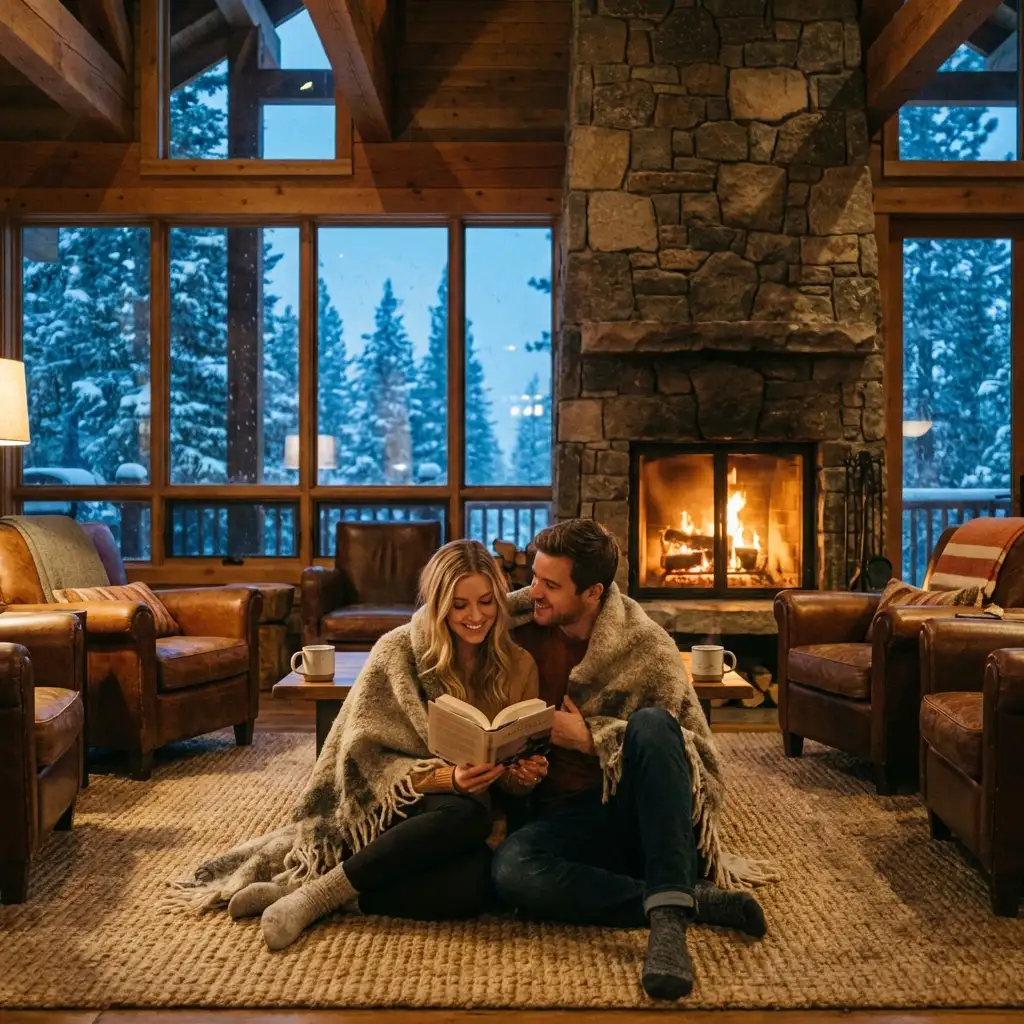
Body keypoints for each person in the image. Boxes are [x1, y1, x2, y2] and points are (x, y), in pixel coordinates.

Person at [176, 539, 548, 949]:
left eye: (486, 602)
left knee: (477, 883)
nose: (475, 616)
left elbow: (512, 777)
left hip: (456, 823)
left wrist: (523, 777)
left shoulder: (519, 665)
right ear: (440, 604)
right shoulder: (401, 652)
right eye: (459, 605)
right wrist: (450, 778)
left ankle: (333, 897)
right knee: (467, 814)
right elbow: (365, 762)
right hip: (399, 809)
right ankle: (315, 896)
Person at [493, 519, 777, 1001]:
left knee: (652, 723)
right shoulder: (514, 629)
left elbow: (695, 753)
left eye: (550, 584)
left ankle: (668, 929)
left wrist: (591, 739)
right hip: (566, 816)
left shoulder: (645, 646)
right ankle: (682, 898)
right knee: (510, 872)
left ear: (592, 592)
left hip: (641, 812)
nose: (532, 591)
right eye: (534, 577)